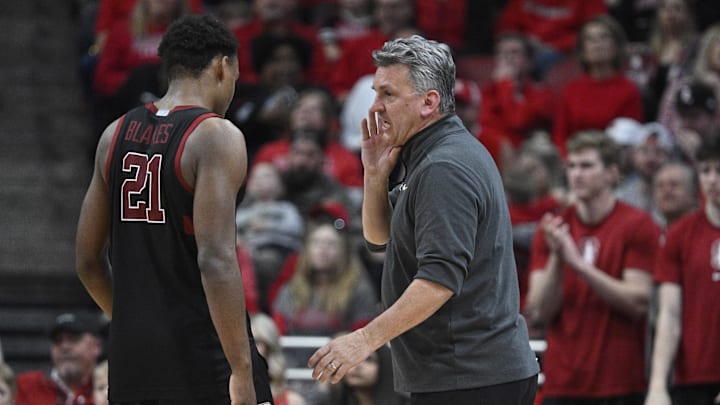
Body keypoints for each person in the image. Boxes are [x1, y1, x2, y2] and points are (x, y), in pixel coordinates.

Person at [308, 35, 539, 404]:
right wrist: (374, 175)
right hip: (458, 374)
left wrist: (364, 340)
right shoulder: (426, 153)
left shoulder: (443, 166)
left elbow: (438, 281)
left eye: (388, 94)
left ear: (429, 102)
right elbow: (379, 241)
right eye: (375, 92)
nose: (375, 107)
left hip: (471, 377)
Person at [74, 14, 272, 405]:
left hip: (132, 359)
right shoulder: (216, 135)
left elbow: (87, 262)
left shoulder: (114, 134)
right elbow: (215, 259)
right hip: (204, 351)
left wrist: (134, 323)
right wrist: (242, 368)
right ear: (222, 66)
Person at [525, 131, 661, 404]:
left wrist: (578, 264)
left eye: (587, 166)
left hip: (620, 383)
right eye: (572, 166)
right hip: (562, 383)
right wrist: (557, 258)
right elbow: (539, 311)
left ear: (612, 173)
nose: (577, 174)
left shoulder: (637, 224)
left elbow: (638, 302)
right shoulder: (553, 229)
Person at [645, 137, 720, 405]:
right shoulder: (680, 234)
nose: (712, 180)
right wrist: (657, 384)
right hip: (692, 378)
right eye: (706, 171)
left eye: (719, 171)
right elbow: (669, 313)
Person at [552, 15, 644, 157]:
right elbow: (560, 136)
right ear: (582, 50)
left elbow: (630, 137)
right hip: (574, 161)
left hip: (614, 161)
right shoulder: (570, 90)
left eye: (604, 37)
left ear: (615, 46)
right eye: (591, 39)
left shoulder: (629, 90)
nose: (597, 44)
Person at [15, 312, 103, 405]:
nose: (65, 347)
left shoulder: (112, 387)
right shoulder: (24, 387)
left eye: (74, 338)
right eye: (57, 340)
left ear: (96, 346)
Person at [249, 313, 307, 405]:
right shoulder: (230, 394)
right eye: (246, 343)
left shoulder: (293, 401)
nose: (249, 348)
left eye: (256, 342)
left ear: (269, 347)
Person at [329, 341, 409, 405]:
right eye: (353, 360)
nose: (357, 366)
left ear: (384, 366)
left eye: (369, 360)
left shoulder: (407, 402)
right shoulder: (328, 401)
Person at [652, 161, 698, 227]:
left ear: (692, 193)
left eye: (674, 184)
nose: (666, 191)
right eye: (660, 186)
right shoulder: (653, 231)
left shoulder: (704, 231)